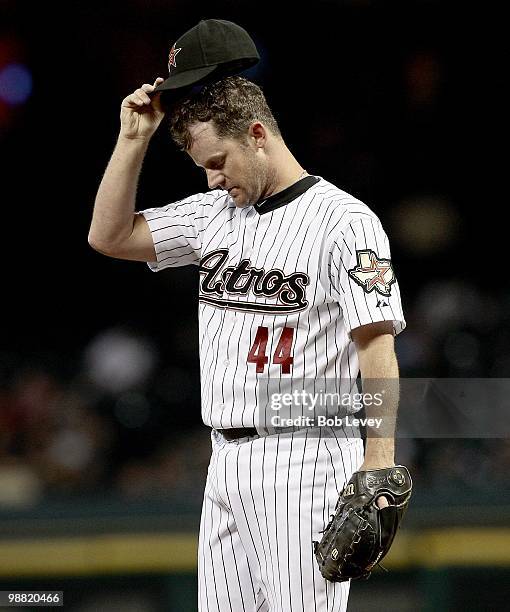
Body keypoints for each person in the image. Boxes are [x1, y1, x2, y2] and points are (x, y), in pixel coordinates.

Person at [89, 72, 406, 611]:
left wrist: (377, 463)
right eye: (203, 168)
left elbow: (377, 348)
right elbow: (109, 236)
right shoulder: (214, 214)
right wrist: (132, 139)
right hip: (224, 460)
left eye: (218, 162)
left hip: (306, 457)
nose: (212, 180)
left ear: (257, 134)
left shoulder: (345, 222)